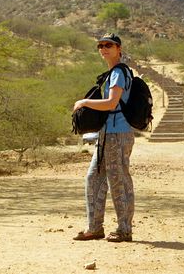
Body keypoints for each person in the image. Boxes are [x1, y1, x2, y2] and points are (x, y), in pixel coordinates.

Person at [72, 33, 135, 243]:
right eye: (101, 45)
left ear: (119, 49)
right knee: (94, 178)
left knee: (118, 181)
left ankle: (124, 229)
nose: (104, 48)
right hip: (108, 134)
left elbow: (111, 103)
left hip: (118, 133)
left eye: (109, 45)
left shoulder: (118, 72)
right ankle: (95, 227)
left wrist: (84, 102)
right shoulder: (112, 73)